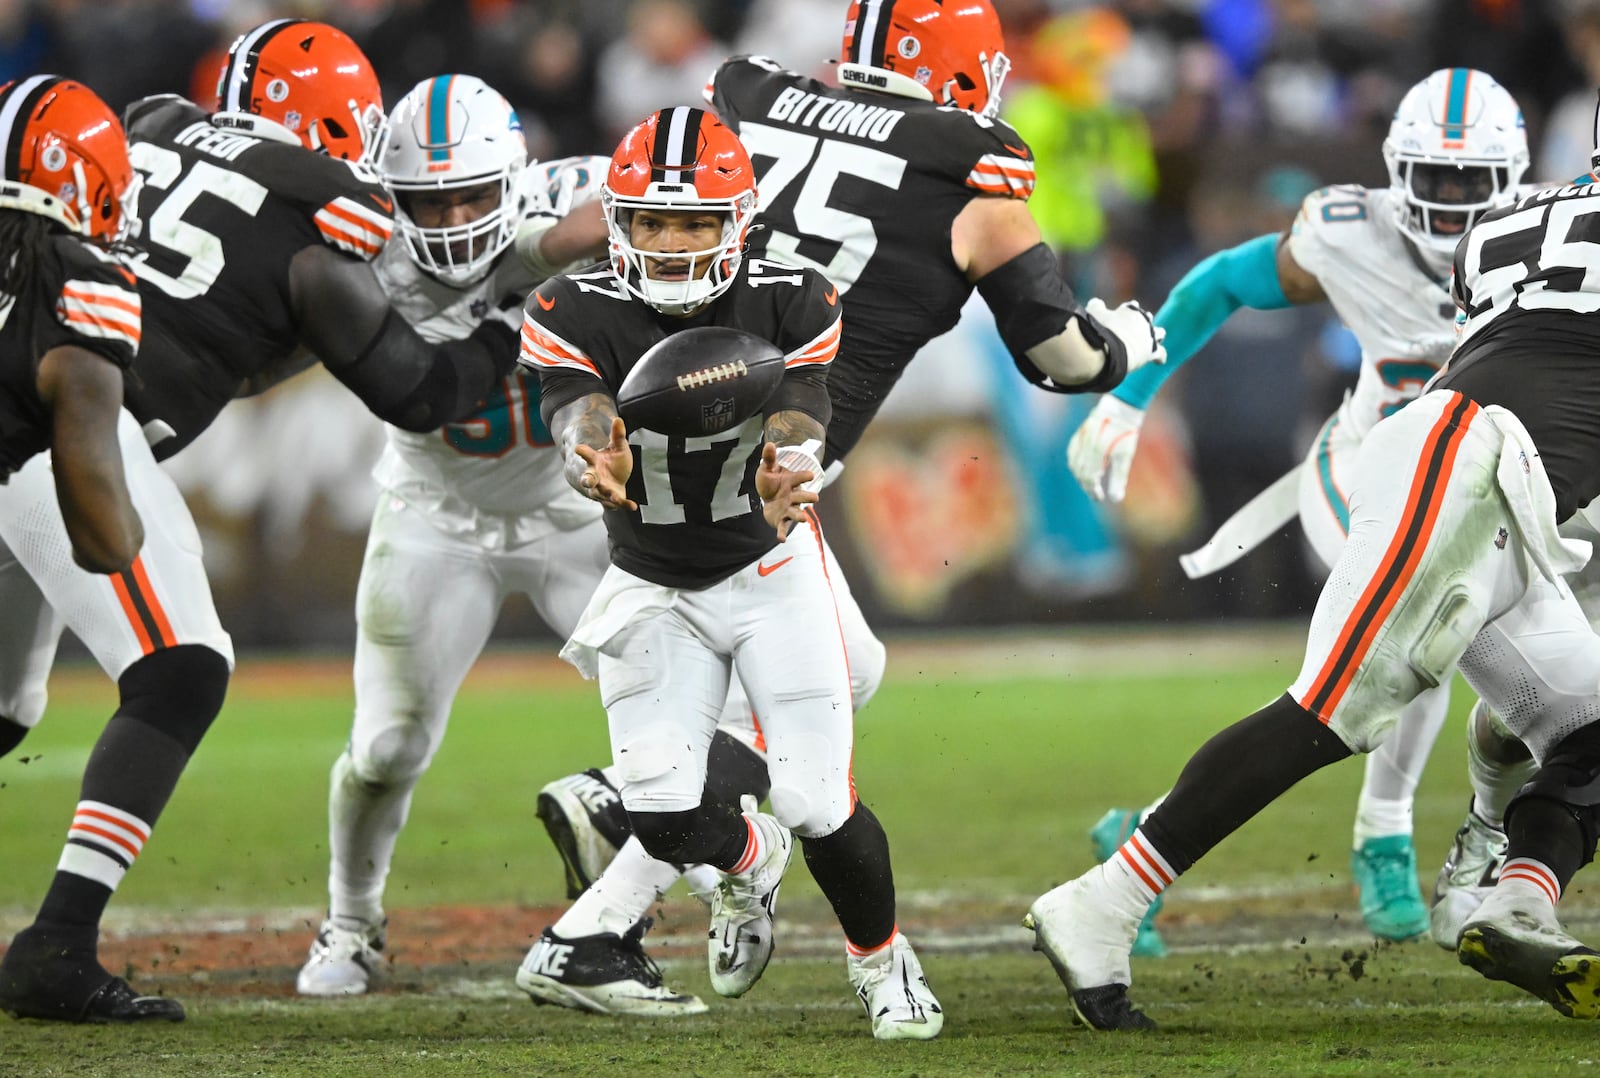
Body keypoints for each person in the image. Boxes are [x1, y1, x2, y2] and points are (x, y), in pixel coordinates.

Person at [527, 0, 1168, 992]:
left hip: (639, 430)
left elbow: (601, 228)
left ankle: (625, 863)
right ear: (965, 74)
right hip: (760, 477)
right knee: (792, 748)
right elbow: (1058, 357)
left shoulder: (752, 99)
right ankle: (609, 870)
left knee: (847, 671)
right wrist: (1130, 341)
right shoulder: (971, 169)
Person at [0, 19, 531, 1025]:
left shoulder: (153, 123)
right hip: (68, 424)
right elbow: (421, 394)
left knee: (10, 707)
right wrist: (508, 332)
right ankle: (57, 941)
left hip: (20, 378)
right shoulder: (318, 235)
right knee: (181, 664)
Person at [1028, 169, 1600, 1028]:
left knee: (1588, 726)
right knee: (1333, 710)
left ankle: (1515, 899)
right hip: (1464, 471)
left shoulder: (1524, 214)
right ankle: (1102, 901)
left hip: (1496, 487)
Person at [1065, 68, 1532, 944]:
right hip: (1362, 468)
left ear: (1515, 177)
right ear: (1399, 174)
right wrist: (1129, 394)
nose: (1457, 203)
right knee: (1394, 650)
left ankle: (1146, 838)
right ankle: (1383, 833)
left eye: (1475, 183)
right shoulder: (1351, 234)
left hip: (1484, 485)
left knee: (1404, 659)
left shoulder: (1552, 240)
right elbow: (1220, 285)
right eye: (1438, 181)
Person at [524, 104, 957, 1040]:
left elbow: (802, 409)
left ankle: (883, 965)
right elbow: (580, 408)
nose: (672, 242)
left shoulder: (794, 296)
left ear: (740, 220)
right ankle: (749, 860)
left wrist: (791, 464)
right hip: (649, 584)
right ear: (618, 222)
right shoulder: (569, 305)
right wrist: (588, 453)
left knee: (813, 795)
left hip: (768, 572)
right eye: (650, 221)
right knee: (664, 814)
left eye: (693, 221)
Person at [290, 72, 713, 1013]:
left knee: (680, 726)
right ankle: (350, 923)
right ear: (387, 192)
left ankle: (614, 916)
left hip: (578, 515)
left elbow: (678, 218)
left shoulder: (586, 199)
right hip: (437, 513)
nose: (448, 218)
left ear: (518, 174)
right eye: (427, 199)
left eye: (473, 192)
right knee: (387, 745)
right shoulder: (361, 257)